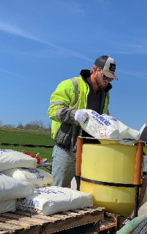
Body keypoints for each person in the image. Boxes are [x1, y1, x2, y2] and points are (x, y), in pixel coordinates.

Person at [46, 55, 118, 187]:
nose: (107, 81)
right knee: (58, 190)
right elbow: (53, 110)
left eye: (110, 79)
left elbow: (102, 118)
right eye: (105, 76)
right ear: (94, 69)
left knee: (88, 192)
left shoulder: (105, 95)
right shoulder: (71, 85)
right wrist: (74, 115)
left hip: (90, 151)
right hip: (67, 149)